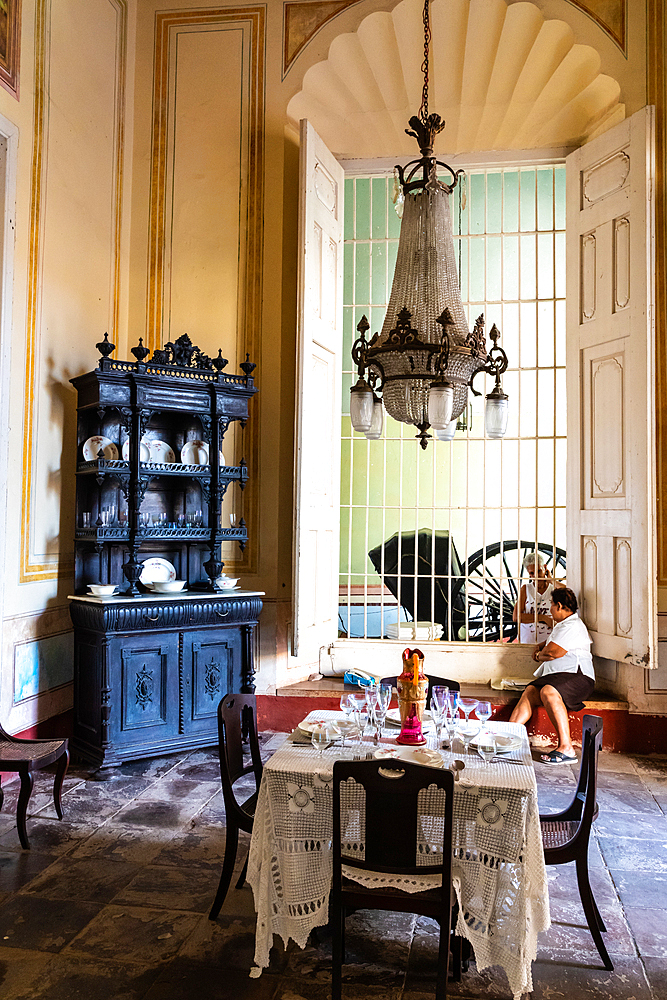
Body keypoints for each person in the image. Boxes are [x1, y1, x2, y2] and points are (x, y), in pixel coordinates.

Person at [509, 586, 595, 764]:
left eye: (552, 605)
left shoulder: (573, 625)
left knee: (547, 691)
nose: (549, 610)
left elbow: (553, 652)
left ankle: (567, 748)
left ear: (560, 606)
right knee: (531, 691)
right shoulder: (563, 625)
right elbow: (549, 644)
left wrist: (540, 654)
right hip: (562, 675)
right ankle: (507, 737)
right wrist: (540, 647)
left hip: (578, 676)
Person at [513, 551, 555, 645]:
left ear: (545, 567)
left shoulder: (554, 589)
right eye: (531, 573)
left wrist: (552, 580)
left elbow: (569, 593)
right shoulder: (526, 589)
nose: (535, 576)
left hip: (548, 643)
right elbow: (516, 617)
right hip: (526, 642)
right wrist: (544, 618)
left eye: (538, 571)